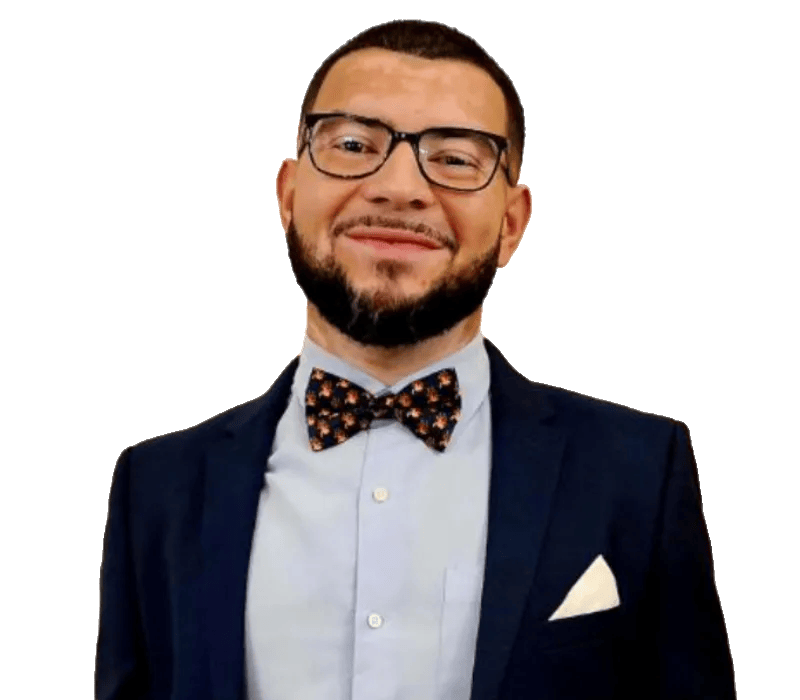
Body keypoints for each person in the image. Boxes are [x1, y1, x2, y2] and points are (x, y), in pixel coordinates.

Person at [95, 19, 736, 700]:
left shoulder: (640, 472)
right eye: (351, 144)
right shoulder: (155, 488)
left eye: (456, 158)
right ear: (288, 196)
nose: (399, 187)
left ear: (511, 224)